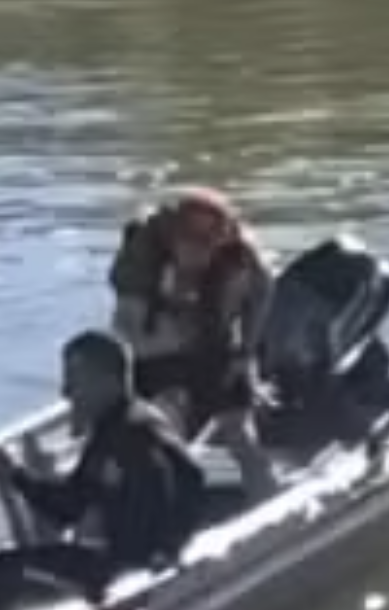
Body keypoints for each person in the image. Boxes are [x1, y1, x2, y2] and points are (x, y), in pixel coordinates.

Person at [0, 328, 207, 608]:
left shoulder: (131, 435)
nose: (66, 392)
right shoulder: (113, 429)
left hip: (134, 567)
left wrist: (158, 557)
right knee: (11, 562)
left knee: (11, 571)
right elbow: (70, 506)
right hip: (120, 557)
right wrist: (15, 476)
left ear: (107, 381)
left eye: (74, 381)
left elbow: (180, 486)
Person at [109, 188, 275, 466]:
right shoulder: (142, 257)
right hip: (155, 351)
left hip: (213, 346)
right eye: (191, 241)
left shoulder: (241, 256)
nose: (201, 251)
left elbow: (261, 296)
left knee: (241, 432)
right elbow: (129, 329)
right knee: (161, 427)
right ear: (173, 235)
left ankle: (267, 494)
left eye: (210, 242)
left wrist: (246, 355)